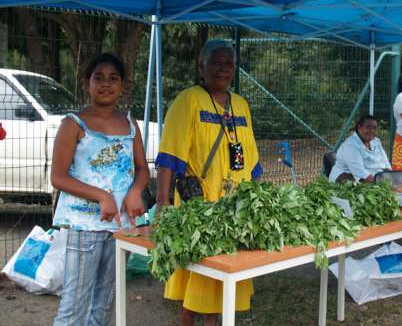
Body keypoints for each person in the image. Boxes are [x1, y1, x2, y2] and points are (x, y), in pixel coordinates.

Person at [155, 39, 262, 326]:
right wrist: (162, 203)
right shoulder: (188, 99)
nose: (223, 69)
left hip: (235, 208)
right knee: (196, 284)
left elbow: (250, 157)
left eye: (229, 64)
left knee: (223, 280)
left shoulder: (240, 104)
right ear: (201, 65)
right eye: (216, 62)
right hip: (199, 206)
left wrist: (259, 198)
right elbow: (169, 154)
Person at [51, 53, 149, 325]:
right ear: (87, 83)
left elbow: (142, 169)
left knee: (104, 303)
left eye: (113, 78)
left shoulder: (130, 124)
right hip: (85, 224)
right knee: (74, 305)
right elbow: (58, 177)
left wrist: (135, 192)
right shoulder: (73, 124)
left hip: (121, 226)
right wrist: (101, 195)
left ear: (123, 85)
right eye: (99, 78)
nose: (106, 84)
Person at [329, 114, 391, 183]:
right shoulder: (351, 145)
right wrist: (381, 183)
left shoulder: (376, 141)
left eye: (375, 128)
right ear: (359, 127)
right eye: (368, 127)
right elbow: (360, 173)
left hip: (374, 178)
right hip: (347, 177)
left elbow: (386, 163)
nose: (372, 131)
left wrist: (391, 178)